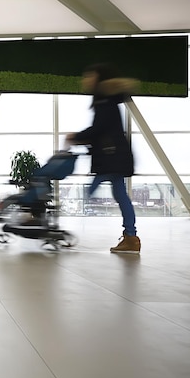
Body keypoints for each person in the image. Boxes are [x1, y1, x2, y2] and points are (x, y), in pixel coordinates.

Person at [66, 63, 140, 253]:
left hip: (112, 156)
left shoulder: (103, 101)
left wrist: (76, 136)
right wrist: (82, 138)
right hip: (116, 155)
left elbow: (99, 129)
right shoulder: (107, 99)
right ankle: (131, 237)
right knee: (120, 194)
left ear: (99, 79)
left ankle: (131, 236)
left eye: (90, 76)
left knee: (95, 189)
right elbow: (103, 130)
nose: (86, 80)